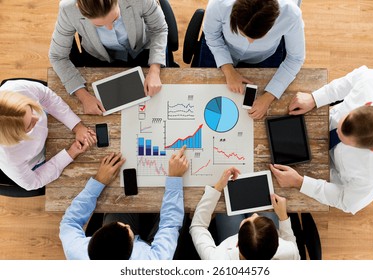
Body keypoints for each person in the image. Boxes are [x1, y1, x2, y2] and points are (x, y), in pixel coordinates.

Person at [270, 66, 373, 215]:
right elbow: (348, 82)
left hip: (334, 173)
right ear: (366, 104)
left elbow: (345, 200)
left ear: (371, 149)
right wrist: (315, 98)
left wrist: (299, 182)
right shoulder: (372, 81)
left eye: (344, 140)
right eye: (341, 125)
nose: (337, 132)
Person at [60, 146, 189, 260]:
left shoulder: (76, 252)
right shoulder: (154, 262)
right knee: (178, 215)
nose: (127, 225)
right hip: (149, 250)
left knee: (120, 201)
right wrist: (175, 178)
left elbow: (69, 222)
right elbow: (170, 225)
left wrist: (99, 180)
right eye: (127, 228)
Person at [49, 0, 168, 115]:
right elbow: (57, 56)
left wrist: (154, 70)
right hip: (100, 58)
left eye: (115, 19)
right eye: (99, 25)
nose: (110, 28)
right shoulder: (68, 9)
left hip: (141, 50)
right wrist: (84, 97)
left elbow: (159, 29)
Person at [201, 0, 305, 119]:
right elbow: (211, 35)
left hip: (266, 55)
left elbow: (295, 58)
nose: (250, 42)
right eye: (243, 34)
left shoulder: (291, 14)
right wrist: (228, 69)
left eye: (258, 37)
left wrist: (268, 97)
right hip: (222, 46)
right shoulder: (219, 3)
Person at [0, 80, 95, 190]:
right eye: (29, 126)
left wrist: (77, 126)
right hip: (37, 161)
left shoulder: (16, 88)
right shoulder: (8, 157)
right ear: (15, 137)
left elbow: (46, 96)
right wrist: (70, 154)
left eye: (30, 109)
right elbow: (33, 182)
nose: (37, 118)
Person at [189, 167, 300, 260]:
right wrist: (283, 217)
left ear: (236, 244)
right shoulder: (290, 252)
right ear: (278, 243)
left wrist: (217, 188)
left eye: (247, 222)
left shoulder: (217, 259)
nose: (255, 214)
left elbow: (198, 226)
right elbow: (290, 243)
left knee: (226, 204)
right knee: (263, 198)